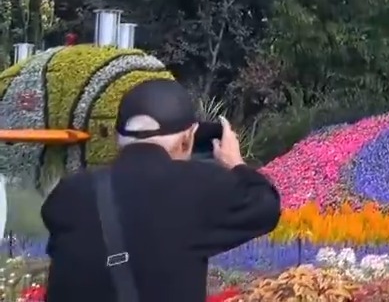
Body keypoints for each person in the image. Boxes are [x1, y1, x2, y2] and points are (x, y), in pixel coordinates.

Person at [41, 79, 282, 302]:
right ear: (186, 140)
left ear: (117, 138)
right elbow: (265, 206)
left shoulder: (68, 194)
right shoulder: (195, 186)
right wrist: (235, 163)